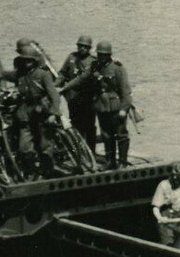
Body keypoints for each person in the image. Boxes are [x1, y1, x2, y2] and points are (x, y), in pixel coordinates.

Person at [1, 40, 63, 179]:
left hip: (41, 113)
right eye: (24, 61)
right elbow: (5, 74)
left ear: (34, 61)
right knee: (24, 148)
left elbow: (54, 96)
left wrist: (54, 113)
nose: (26, 63)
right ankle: (31, 172)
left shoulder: (42, 75)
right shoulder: (20, 74)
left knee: (44, 146)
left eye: (29, 61)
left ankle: (48, 171)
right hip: (25, 114)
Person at [88, 41, 133, 169]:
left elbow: (125, 91)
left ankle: (123, 162)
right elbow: (82, 78)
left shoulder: (117, 68)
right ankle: (110, 161)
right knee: (106, 135)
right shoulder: (95, 67)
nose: (101, 57)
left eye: (104, 55)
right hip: (102, 107)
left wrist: (124, 109)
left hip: (116, 107)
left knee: (121, 134)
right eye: (99, 54)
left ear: (109, 55)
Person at [56, 36, 99, 158]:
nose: (82, 49)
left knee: (90, 125)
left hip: (88, 98)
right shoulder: (71, 57)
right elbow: (63, 73)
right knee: (76, 124)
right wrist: (55, 85)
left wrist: (63, 88)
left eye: (85, 47)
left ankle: (91, 152)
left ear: (89, 48)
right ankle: (79, 152)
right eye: (80, 46)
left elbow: (81, 79)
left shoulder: (93, 61)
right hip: (73, 98)